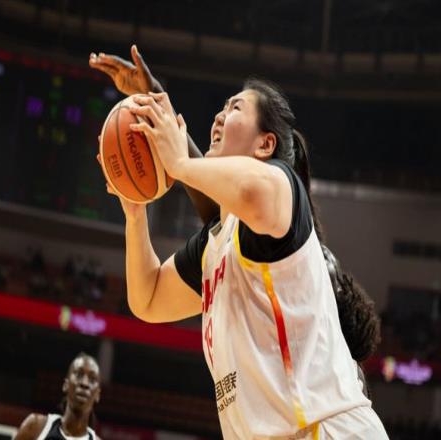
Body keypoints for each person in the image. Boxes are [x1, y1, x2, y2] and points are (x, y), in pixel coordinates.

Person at [91, 47, 387, 438]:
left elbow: (248, 193)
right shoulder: (218, 241)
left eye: (234, 108)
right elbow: (148, 298)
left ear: (265, 145)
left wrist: (180, 164)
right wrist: (135, 213)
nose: (218, 116)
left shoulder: (281, 189)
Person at [14, 353, 101, 440]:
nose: (84, 383)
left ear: (97, 394)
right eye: (79, 375)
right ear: (66, 385)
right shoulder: (35, 427)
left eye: (92, 379)